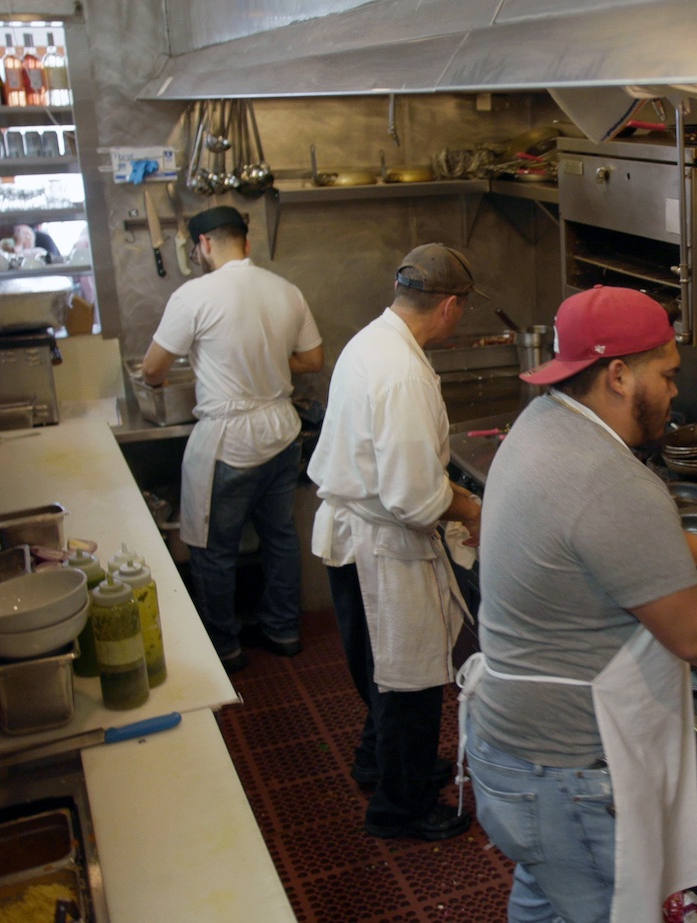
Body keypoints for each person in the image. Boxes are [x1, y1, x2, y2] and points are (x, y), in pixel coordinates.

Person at [460, 285, 697, 922]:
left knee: (544, 904)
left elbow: (587, 535)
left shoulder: (541, 423)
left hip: (510, 752)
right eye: (667, 373)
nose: (676, 390)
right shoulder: (612, 480)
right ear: (618, 374)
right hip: (567, 774)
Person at [307, 243, 485, 842]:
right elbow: (413, 496)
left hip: (353, 536)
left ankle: (378, 762)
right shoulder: (404, 371)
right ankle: (399, 808)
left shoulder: (371, 340)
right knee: (407, 680)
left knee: (381, 670)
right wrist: (471, 507)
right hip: (382, 546)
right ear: (452, 307)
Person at [142, 205, 323, 673]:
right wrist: (267, 364)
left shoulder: (194, 295)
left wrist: (168, 380)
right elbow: (313, 359)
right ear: (246, 242)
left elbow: (151, 369)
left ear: (203, 245)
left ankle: (224, 648)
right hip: (283, 434)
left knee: (213, 550)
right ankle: (283, 631)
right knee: (280, 538)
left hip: (229, 443)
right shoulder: (285, 290)